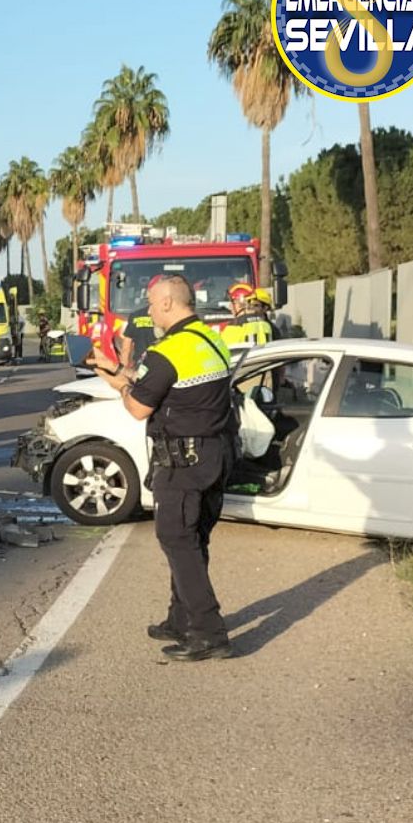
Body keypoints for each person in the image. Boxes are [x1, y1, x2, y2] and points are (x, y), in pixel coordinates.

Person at [91, 274, 236, 662]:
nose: (150, 311)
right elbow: (168, 384)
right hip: (215, 455)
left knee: (177, 540)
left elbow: (139, 407)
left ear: (169, 303)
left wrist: (121, 387)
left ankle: (208, 633)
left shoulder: (167, 350)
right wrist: (118, 371)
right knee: (192, 540)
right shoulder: (211, 340)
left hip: (182, 462)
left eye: (153, 304)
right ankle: (180, 619)